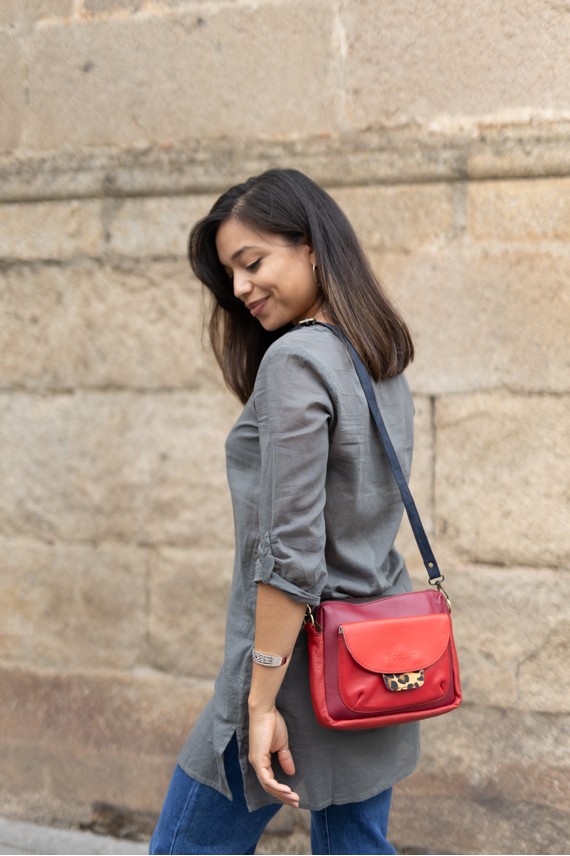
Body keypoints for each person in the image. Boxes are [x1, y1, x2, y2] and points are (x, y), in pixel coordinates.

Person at [150, 168, 419, 855]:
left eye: (253, 262)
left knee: (186, 849)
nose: (240, 289)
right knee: (354, 845)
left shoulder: (297, 360)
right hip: (374, 655)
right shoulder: (378, 354)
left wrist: (259, 701)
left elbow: (291, 552)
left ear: (312, 248)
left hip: (294, 670)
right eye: (231, 274)